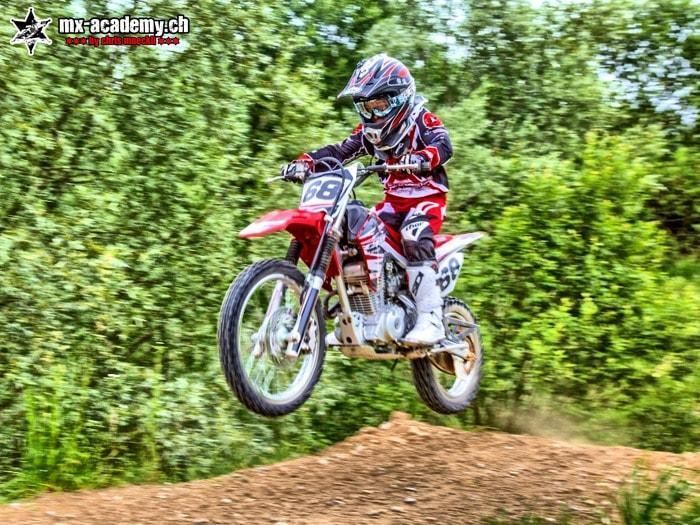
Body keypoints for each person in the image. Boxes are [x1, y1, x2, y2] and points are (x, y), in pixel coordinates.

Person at [281, 53, 453, 345]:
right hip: (392, 202)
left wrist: (424, 157)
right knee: (357, 237)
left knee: (414, 232)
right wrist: (306, 162)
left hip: (426, 200)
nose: (372, 115)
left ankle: (431, 318)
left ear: (399, 99)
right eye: (366, 107)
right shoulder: (367, 133)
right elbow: (338, 152)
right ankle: (361, 311)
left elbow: (443, 143)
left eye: (379, 106)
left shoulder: (421, 119)